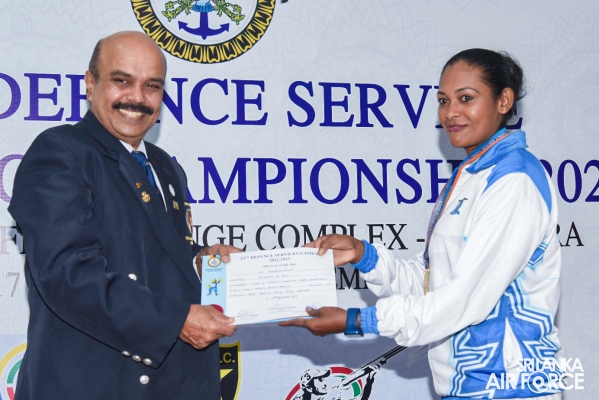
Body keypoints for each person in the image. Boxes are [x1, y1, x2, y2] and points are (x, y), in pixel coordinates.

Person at [281, 49, 562, 400]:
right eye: (444, 100)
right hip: (467, 388)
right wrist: (363, 255)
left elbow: (463, 299)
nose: (451, 112)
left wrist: (356, 320)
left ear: (503, 101)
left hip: (510, 388)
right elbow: (432, 283)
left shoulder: (514, 181)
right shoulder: (471, 174)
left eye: (466, 98)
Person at [9, 31, 241, 399]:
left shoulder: (165, 167)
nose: (137, 97)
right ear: (91, 84)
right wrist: (173, 321)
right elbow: (67, 274)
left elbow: (155, 252)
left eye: (152, 85)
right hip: (95, 385)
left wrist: (201, 261)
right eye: (122, 80)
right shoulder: (60, 152)